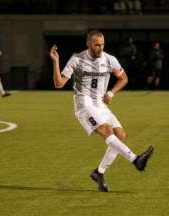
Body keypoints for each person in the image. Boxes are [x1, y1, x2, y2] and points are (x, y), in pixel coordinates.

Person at [49, 30, 154, 192]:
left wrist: (111, 93)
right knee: (107, 130)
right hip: (84, 104)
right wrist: (56, 62)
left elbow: (123, 78)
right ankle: (135, 159)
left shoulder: (110, 60)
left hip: (100, 104)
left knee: (120, 135)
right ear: (88, 44)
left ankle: (99, 173)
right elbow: (59, 83)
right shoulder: (76, 60)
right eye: (97, 45)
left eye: (103, 44)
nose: (100, 48)